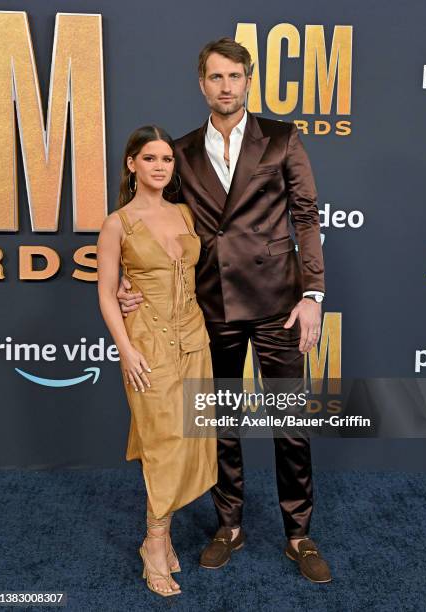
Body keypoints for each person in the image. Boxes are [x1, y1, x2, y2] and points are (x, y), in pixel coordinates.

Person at [117, 38, 332, 583]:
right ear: (202, 84)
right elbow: (158, 222)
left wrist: (313, 295)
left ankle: (299, 533)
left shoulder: (282, 139)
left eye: (235, 77)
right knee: (221, 423)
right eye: (215, 77)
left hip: (280, 304)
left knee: (289, 421)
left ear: (247, 81)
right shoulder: (182, 151)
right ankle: (228, 524)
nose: (226, 86)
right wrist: (127, 277)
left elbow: (305, 217)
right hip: (210, 305)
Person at [97, 125, 217, 597]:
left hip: (194, 338)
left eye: (167, 159)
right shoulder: (117, 223)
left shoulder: (185, 212)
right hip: (146, 343)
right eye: (150, 158)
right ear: (132, 164)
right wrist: (126, 348)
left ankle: (160, 536)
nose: (160, 166)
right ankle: (155, 542)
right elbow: (107, 292)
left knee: (191, 437)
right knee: (164, 440)